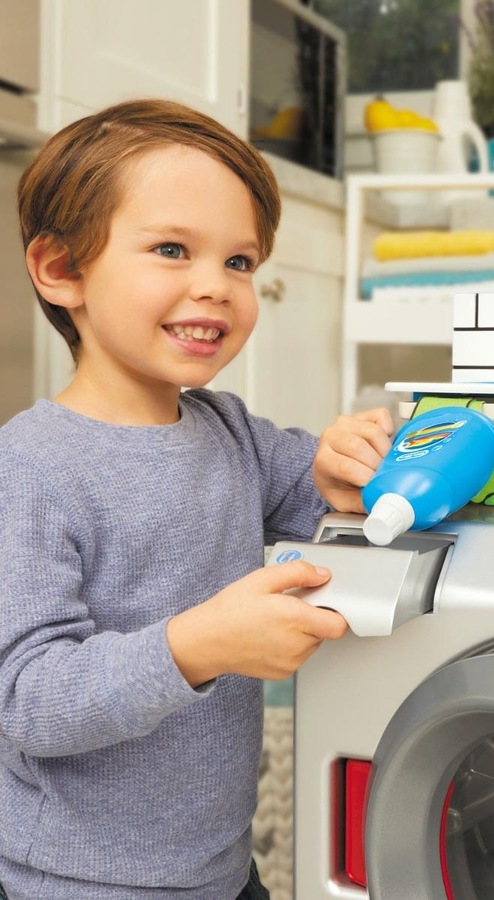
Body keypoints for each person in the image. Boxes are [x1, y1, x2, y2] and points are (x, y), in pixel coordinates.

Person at [0, 99, 394, 899]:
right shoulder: (31, 467)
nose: (215, 287)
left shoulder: (227, 429)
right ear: (61, 270)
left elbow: (314, 490)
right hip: (80, 881)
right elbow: (30, 702)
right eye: (173, 250)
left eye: (240, 263)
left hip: (217, 863)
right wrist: (197, 646)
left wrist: (344, 460)